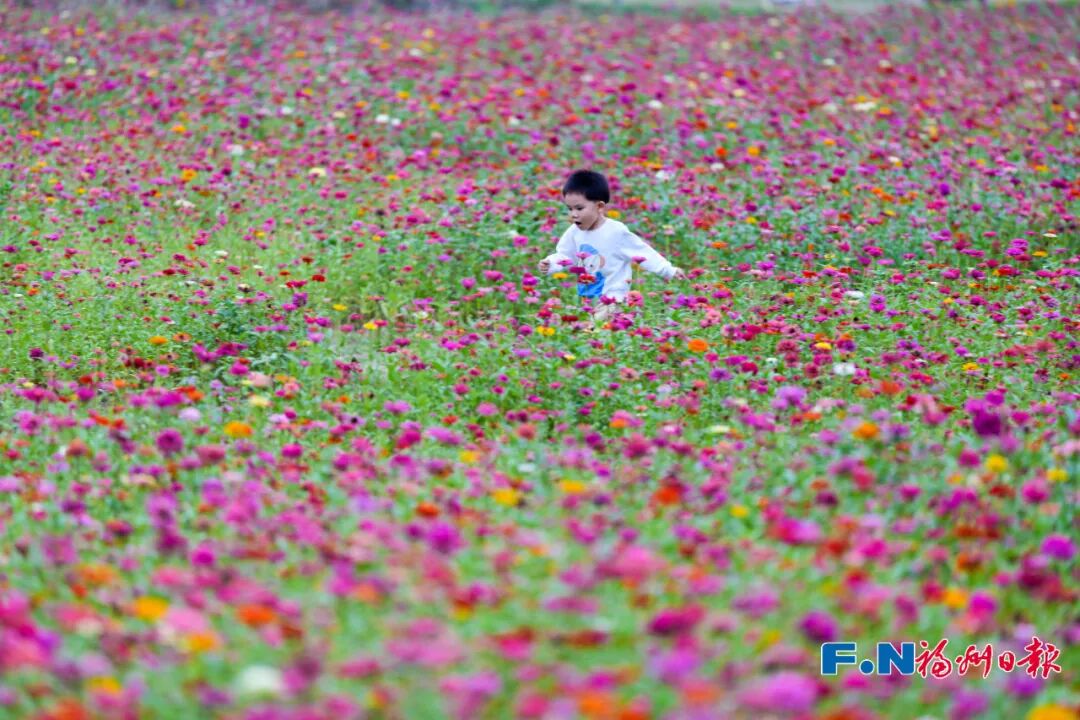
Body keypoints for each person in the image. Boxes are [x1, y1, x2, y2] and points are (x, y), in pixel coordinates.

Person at [538, 170, 685, 329]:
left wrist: (668, 270)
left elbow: (642, 252)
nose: (573, 214)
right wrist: (551, 263)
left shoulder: (615, 231)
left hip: (613, 299)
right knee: (591, 336)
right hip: (588, 298)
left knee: (593, 331)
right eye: (570, 209)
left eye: (579, 208)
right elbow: (565, 255)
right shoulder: (574, 231)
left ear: (599, 206)